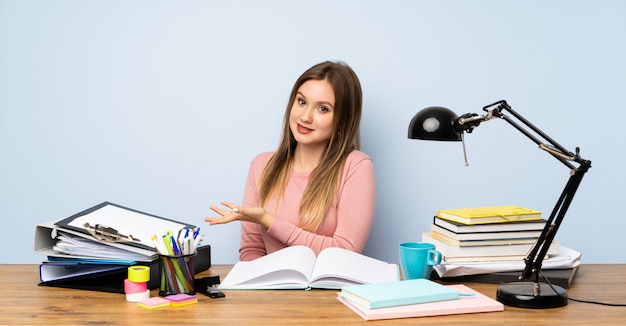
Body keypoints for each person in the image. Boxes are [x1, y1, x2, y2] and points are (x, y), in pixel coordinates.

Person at [205, 61, 375, 261]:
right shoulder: (261, 166)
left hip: (330, 290)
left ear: (342, 120)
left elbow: (344, 251)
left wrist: (268, 220)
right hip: (273, 290)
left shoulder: (356, 166)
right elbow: (252, 251)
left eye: (322, 109)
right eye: (302, 102)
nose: (305, 117)